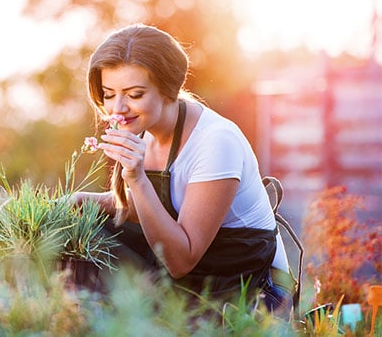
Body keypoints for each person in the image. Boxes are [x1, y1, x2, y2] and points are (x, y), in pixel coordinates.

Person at [72, 23, 294, 319]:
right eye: (109, 94)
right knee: (76, 239)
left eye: (134, 94)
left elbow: (180, 261)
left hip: (248, 288)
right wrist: (76, 202)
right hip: (195, 275)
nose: (117, 108)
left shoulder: (215, 142)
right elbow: (147, 208)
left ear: (168, 89)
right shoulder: (144, 126)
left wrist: (136, 177)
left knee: (121, 290)